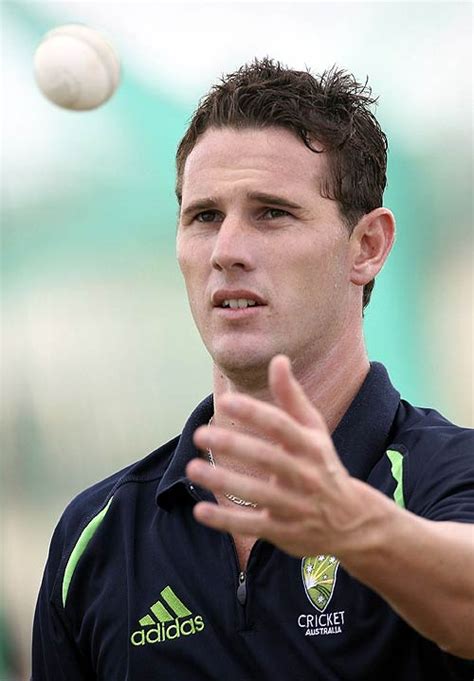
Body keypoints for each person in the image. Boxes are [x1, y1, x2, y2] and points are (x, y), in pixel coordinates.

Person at [31, 58, 474, 680]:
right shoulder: (97, 534)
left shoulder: (449, 474)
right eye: (204, 216)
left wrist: (355, 528)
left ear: (367, 247)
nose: (227, 251)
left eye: (272, 212)